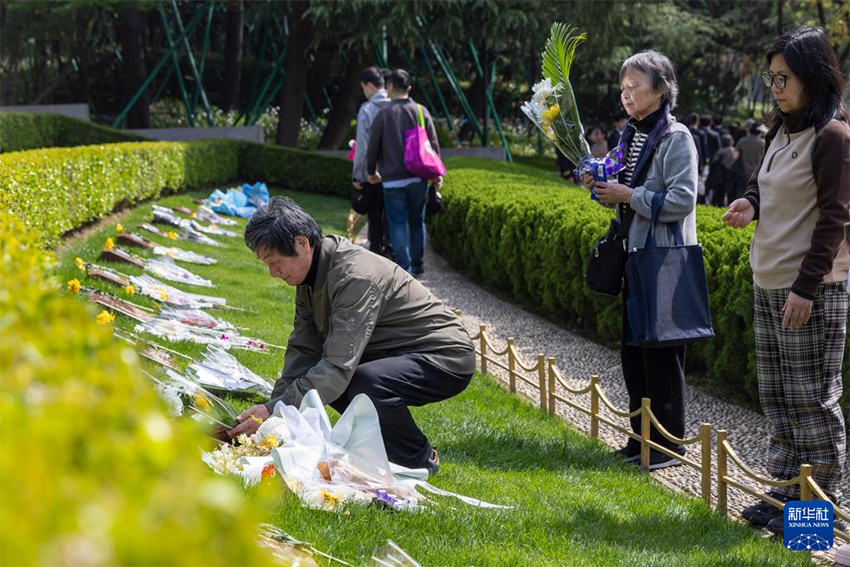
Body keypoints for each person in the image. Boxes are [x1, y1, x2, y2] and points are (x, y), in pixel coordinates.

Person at [228, 196, 476, 474]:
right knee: (323, 383)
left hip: (446, 356)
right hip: (397, 352)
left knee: (355, 381)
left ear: (301, 243)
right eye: (266, 264)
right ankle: (382, 448)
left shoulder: (354, 276)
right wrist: (270, 410)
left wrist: (275, 410)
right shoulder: (309, 279)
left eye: (275, 261)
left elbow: (336, 365)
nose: (273, 273)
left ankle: (418, 458)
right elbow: (303, 352)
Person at [722, 26, 850, 536]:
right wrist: (748, 204)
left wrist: (805, 288)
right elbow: (761, 183)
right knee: (778, 397)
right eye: (771, 77)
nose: (775, 87)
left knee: (812, 400)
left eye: (785, 78)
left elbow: (835, 219)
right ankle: (788, 496)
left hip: (810, 290)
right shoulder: (781, 129)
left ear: (814, 78)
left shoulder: (833, 137)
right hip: (768, 281)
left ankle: (814, 519)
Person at [583, 50, 699, 471]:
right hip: (635, 259)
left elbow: (683, 202)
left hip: (664, 261)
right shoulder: (629, 136)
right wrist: (600, 187)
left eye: (634, 87)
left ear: (661, 89)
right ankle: (638, 443)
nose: (626, 95)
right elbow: (620, 198)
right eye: (623, 88)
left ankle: (667, 449)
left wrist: (628, 194)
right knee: (633, 354)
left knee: (661, 356)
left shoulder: (676, 137)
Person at [366, 69, 443, 277]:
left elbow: (373, 146)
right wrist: (437, 174)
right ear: (408, 88)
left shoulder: (384, 113)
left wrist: (370, 171)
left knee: (397, 223)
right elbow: (433, 144)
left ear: (390, 87)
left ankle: (404, 268)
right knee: (417, 221)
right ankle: (418, 265)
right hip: (418, 177)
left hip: (392, 181)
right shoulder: (420, 111)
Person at [351, 66, 391, 257]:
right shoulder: (397, 104)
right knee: (393, 219)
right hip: (396, 172)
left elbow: (363, 147)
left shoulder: (367, 110)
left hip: (373, 173)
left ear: (369, 85)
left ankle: (377, 256)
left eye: (363, 88)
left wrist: (359, 174)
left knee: (374, 217)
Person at [733, 121, 766, 198]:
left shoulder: (742, 140)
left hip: (742, 174)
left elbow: (735, 157)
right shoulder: (763, 143)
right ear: (760, 132)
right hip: (757, 175)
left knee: (740, 196)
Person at [710, 134, 738, 207]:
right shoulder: (734, 150)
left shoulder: (720, 151)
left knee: (720, 192)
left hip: (721, 175)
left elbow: (713, 162)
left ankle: (720, 205)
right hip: (733, 175)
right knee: (731, 193)